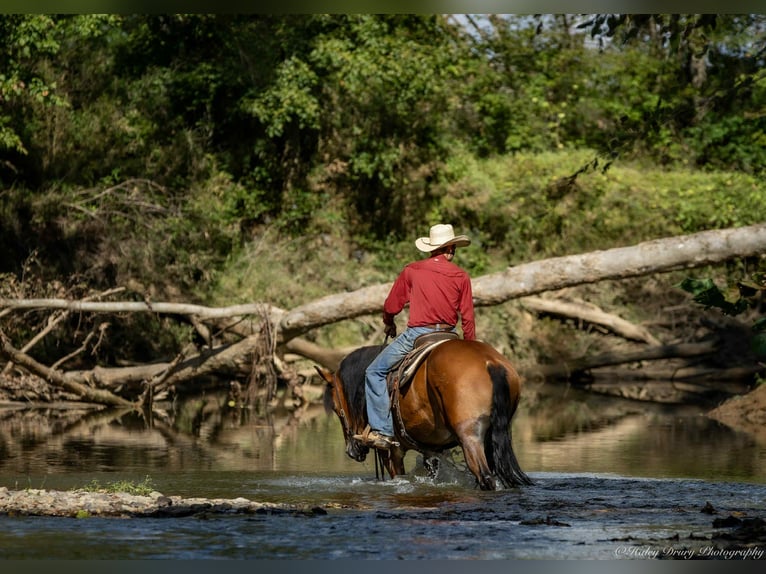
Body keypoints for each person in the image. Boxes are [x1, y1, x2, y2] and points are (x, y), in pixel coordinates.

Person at [354, 223, 476, 449]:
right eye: (453, 247)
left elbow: (392, 305)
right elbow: (468, 317)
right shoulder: (461, 275)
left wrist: (388, 323)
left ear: (432, 248)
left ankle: (383, 431)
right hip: (450, 336)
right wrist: (469, 347)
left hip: (419, 334)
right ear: (450, 249)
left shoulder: (413, 270)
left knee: (374, 372)